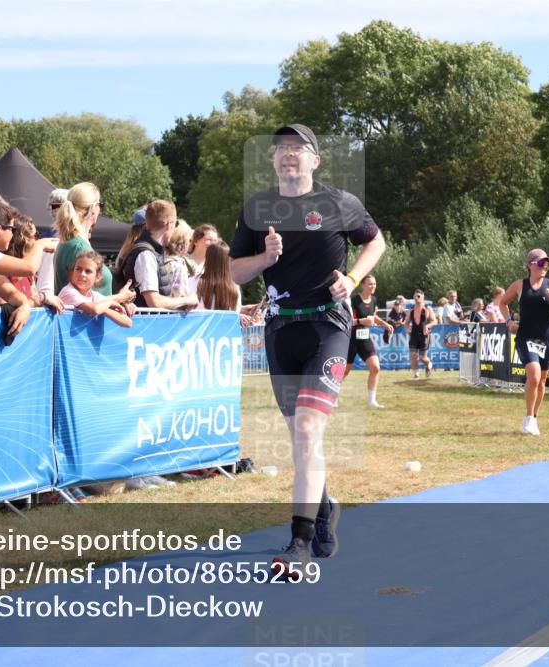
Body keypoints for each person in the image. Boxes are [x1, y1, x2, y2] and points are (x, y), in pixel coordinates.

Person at [229, 123, 385, 575]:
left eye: (298, 148)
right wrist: (265, 258)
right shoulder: (257, 208)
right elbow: (235, 273)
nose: (288, 154)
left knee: (307, 431)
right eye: (281, 149)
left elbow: (375, 240)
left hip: (327, 326)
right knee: (301, 437)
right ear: (273, 160)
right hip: (280, 331)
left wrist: (352, 280)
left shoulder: (339, 202)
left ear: (315, 160)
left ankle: (297, 542)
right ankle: (325, 506)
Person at [498, 249, 549, 436]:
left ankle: (533, 419)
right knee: (534, 376)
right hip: (526, 337)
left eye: (547, 263)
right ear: (530, 265)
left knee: (542, 381)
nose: (544, 266)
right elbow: (502, 303)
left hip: (546, 337)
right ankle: (529, 418)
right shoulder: (519, 285)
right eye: (540, 263)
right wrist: (509, 322)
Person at [122, 200, 198, 310]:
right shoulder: (146, 254)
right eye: (175, 224)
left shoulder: (152, 252)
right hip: (144, 324)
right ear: (169, 224)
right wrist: (186, 300)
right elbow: (154, 301)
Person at [343, 274, 393, 409]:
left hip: (365, 339)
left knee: (375, 368)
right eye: (370, 284)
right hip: (351, 340)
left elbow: (373, 316)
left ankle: (372, 401)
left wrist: (384, 324)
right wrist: (360, 321)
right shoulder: (353, 301)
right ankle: (330, 396)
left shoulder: (374, 300)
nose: (373, 286)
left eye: (374, 284)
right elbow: (345, 321)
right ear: (363, 285)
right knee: (344, 372)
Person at [53, 182, 111, 297]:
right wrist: (119, 298)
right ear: (94, 208)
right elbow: (85, 299)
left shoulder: (73, 242)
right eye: (101, 205)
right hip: (85, 314)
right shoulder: (78, 246)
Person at [59, 250, 135, 327]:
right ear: (72, 271)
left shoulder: (94, 296)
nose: (82, 274)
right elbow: (94, 309)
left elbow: (128, 322)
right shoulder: (68, 291)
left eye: (88, 271)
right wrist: (109, 303)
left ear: (98, 277)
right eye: (78, 269)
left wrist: (104, 309)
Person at [407, 289, 437, 379]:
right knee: (413, 355)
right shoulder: (411, 309)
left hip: (424, 335)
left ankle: (429, 364)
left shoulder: (427, 308)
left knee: (422, 357)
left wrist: (427, 326)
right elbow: (406, 322)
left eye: (419, 296)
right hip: (413, 335)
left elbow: (435, 321)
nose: (417, 298)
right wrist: (407, 328)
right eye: (415, 296)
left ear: (423, 297)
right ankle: (416, 374)